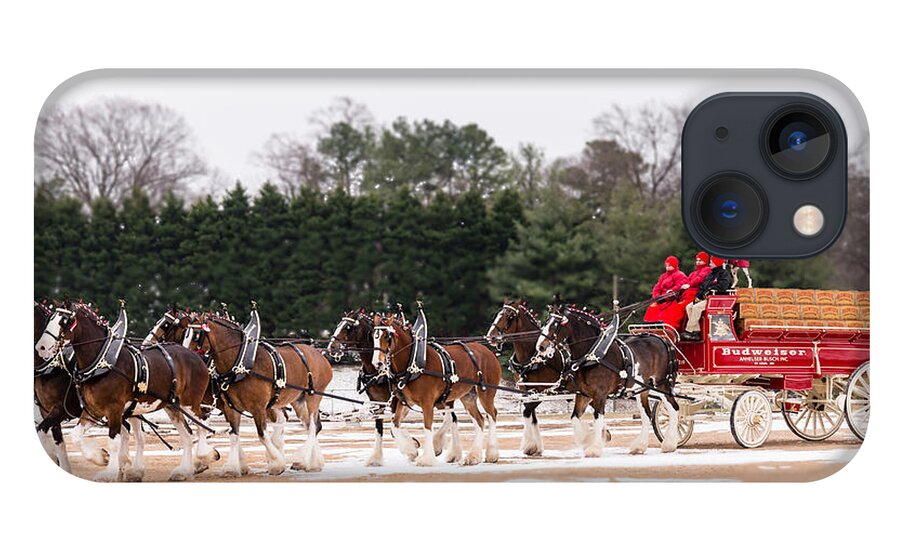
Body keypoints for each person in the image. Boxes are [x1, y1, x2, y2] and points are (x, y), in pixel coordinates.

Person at [682, 256, 734, 340]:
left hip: (716, 298)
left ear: (716, 263)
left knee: (696, 307)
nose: (709, 264)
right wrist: (698, 297)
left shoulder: (724, 274)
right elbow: (702, 286)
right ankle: (696, 331)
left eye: (711, 262)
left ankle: (689, 331)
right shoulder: (710, 274)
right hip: (706, 298)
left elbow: (723, 286)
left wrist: (710, 290)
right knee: (689, 306)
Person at [643, 255, 689, 329]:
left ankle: (665, 327)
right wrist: (657, 297)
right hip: (661, 299)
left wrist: (671, 292)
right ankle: (649, 325)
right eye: (667, 265)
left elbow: (680, 285)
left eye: (670, 265)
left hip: (672, 299)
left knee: (669, 312)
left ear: (674, 265)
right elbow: (657, 287)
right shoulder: (663, 276)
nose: (668, 267)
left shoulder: (680, 275)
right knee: (652, 307)